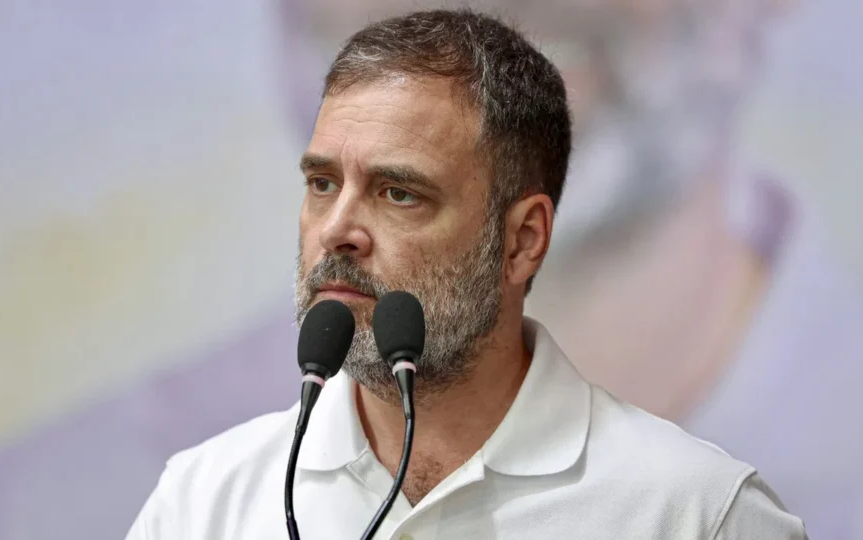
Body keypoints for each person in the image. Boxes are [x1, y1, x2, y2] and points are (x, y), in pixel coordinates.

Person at [126, 10, 806, 538]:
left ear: (523, 241)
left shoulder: (700, 514)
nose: (337, 230)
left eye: (399, 193)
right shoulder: (204, 501)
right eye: (323, 185)